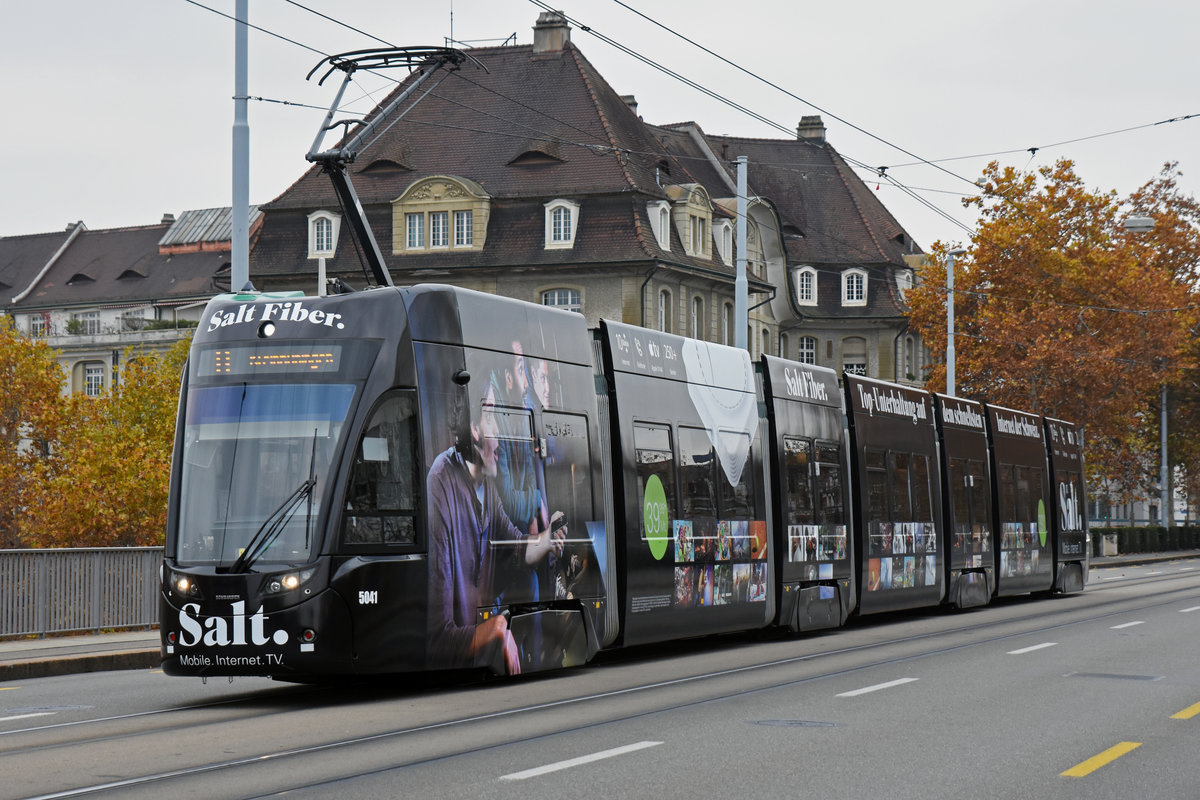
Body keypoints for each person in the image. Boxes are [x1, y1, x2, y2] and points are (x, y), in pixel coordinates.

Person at [427, 380, 527, 674]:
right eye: (493, 416)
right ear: (474, 429)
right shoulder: (441, 481)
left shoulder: (487, 487)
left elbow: (516, 543)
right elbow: (438, 639)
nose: (499, 432)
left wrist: (548, 539)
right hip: (460, 656)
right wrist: (495, 627)